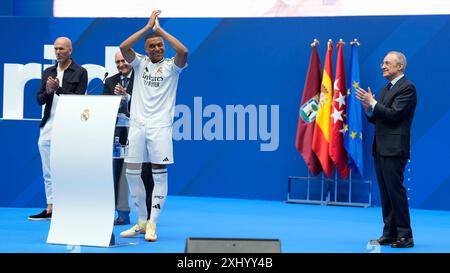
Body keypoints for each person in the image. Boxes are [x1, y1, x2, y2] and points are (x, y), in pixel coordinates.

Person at [118, 10, 188, 242]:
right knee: (131, 174)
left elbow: (183, 51)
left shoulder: (172, 67)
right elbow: (124, 46)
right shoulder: (139, 63)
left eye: (159, 45)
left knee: (159, 174)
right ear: (146, 49)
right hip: (137, 125)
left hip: (160, 127)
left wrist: (160, 31)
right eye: (152, 46)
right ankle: (141, 220)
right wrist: (147, 28)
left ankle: (152, 224)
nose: (157, 48)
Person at [356, 51, 417, 248]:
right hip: (380, 147)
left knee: (395, 191)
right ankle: (389, 233)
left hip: (394, 148)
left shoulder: (407, 88)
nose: (382, 66)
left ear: (400, 67)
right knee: (385, 192)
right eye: (382, 63)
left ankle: (405, 235)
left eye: (387, 63)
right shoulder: (385, 89)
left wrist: (373, 103)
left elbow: (394, 115)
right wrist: (368, 107)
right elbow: (377, 118)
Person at [29, 37, 88, 220]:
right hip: (48, 125)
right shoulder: (48, 71)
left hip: (68, 126)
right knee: (48, 170)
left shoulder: (80, 72)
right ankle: (50, 207)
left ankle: (68, 207)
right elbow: (39, 99)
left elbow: (78, 101)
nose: (58, 52)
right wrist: (47, 91)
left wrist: (58, 89)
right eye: (56, 49)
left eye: (62, 49)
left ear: (70, 50)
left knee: (66, 168)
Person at [103, 51, 155, 225]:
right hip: (119, 134)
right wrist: (116, 100)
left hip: (141, 132)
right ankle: (123, 214)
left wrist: (128, 97)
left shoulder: (143, 78)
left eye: (123, 61)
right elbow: (106, 108)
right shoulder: (110, 81)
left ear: (131, 60)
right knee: (119, 174)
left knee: (145, 174)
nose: (120, 65)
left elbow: (148, 103)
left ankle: (148, 216)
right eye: (117, 62)